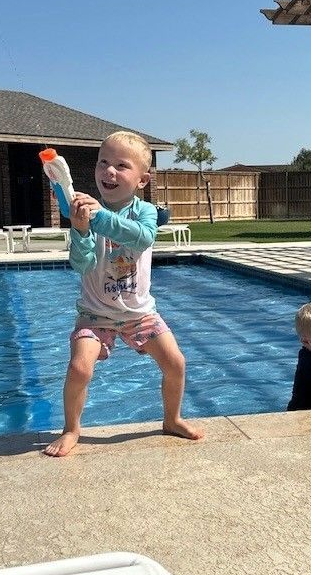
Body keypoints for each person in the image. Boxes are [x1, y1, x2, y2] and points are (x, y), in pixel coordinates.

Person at [44, 131, 204, 457]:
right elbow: (82, 263)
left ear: (142, 180)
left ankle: (172, 419)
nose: (109, 171)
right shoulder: (87, 212)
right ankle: (71, 429)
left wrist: (98, 217)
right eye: (103, 162)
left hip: (140, 314)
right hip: (95, 314)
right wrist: (80, 230)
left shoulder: (145, 212)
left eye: (121, 165)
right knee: (79, 369)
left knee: (175, 362)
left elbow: (142, 238)